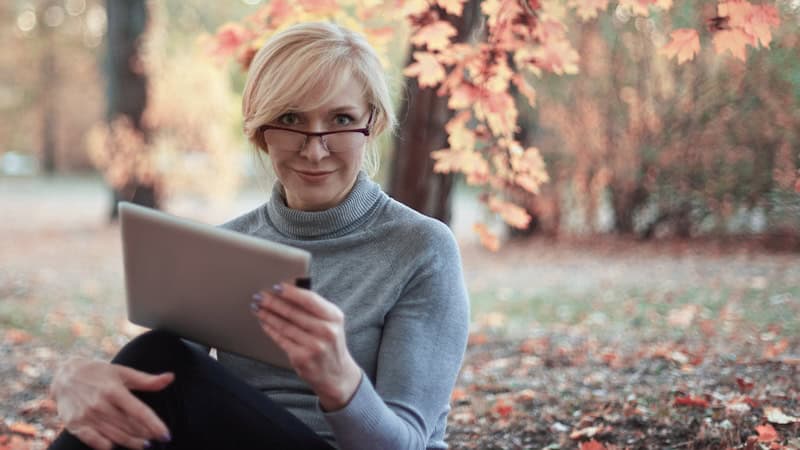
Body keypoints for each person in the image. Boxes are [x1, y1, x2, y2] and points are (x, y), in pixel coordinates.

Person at [49, 21, 470, 450]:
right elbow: (156, 380)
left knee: (153, 356)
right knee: (153, 355)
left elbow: (409, 444)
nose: (314, 149)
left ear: (372, 124)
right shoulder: (227, 248)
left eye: (341, 119)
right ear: (260, 130)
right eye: (291, 119)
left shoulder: (420, 248)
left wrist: (341, 382)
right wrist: (72, 376)